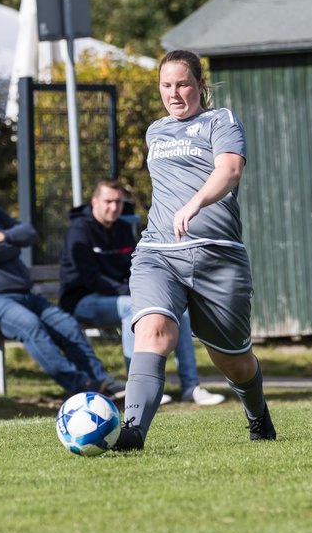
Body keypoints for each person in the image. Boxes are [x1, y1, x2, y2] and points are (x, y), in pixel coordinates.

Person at [113, 49, 275, 451]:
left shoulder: (220, 121)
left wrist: (196, 203)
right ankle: (132, 432)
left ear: (200, 86)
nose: (174, 93)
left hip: (218, 256)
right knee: (152, 331)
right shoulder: (155, 131)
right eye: (166, 86)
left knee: (233, 361)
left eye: (182, 84)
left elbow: (230, 169)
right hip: (158, 253)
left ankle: (258, 416)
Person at [0, 166, 126, 399]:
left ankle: (104, 382)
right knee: (30, 324)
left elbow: (29, 233)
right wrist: (10, 247)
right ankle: (83, 385)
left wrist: (4, 238)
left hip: (21, 294)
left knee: (67, 325)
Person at [60, 179, 226, 406]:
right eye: (108, 201)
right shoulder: (79, 230)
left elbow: (135, 267)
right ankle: (137, 388)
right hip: (83, 300)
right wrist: (133, 292)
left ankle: (191, 387)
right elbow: (92, 279)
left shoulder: (121, 229)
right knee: (133, 308)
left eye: (118, 202)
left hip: (122, 295)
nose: (114, 207)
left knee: (180, 312)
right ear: (94, 202)